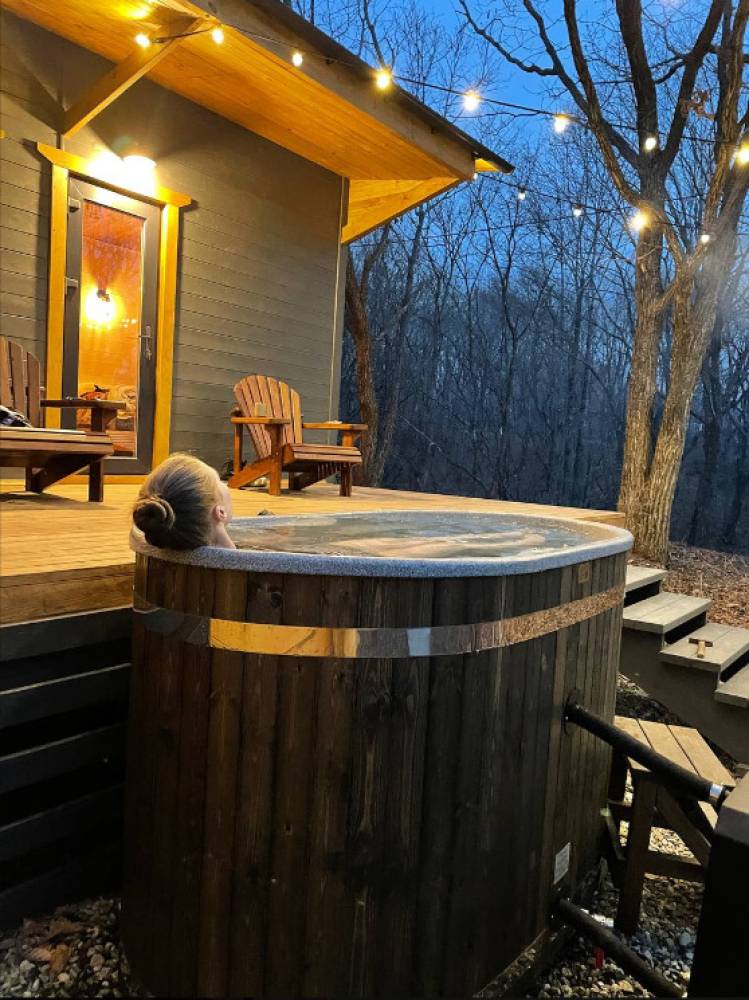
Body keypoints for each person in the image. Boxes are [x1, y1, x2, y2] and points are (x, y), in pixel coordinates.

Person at [132, 453, 235, 550]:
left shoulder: (162, 540)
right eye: (220, 482)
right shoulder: (235, 561)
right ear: (220, 513)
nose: (225, 485)